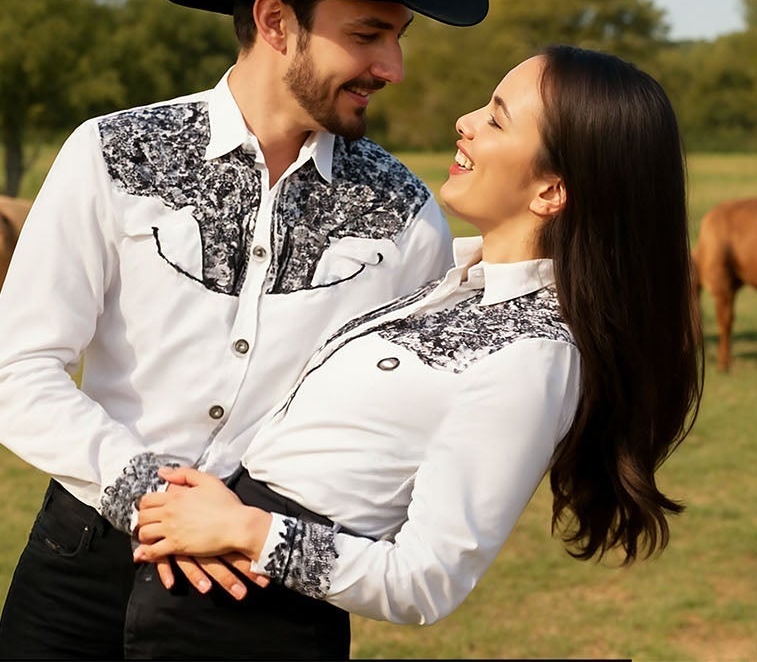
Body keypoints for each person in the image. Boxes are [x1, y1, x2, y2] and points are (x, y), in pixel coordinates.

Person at [0, 0, 491, 660]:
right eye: (367, 34)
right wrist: (154, 497)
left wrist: (264, 532)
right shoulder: (113, 154)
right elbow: (16, 374)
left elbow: (408, 425)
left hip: (270, 591)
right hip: (82, 575)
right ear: (276, 21)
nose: (393, 67)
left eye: (398, 37)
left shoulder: (405, 212)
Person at [122, 45, 705, 660]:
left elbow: (427, 579)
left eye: (497, 118)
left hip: (255, 625)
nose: (465, 121)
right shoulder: (452, 287)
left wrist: (250, 530)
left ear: (550, 191)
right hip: (203, 604)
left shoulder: (535, 353)